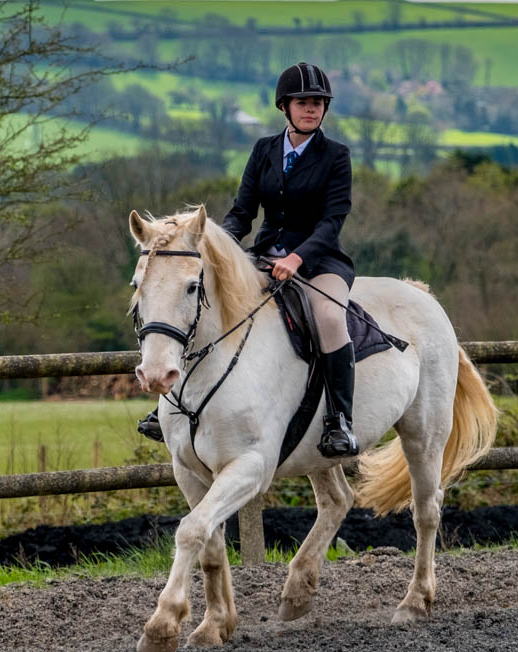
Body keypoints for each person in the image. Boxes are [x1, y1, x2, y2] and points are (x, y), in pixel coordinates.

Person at [138, 62, 358, 458]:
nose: (311, 109)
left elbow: (333, 220)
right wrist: (215, 247)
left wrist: (298, 257)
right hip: (263, 256)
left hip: (320, 262)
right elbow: (242, 212)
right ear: (285, 107)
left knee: (328, 317)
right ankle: (169, 405)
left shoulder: (336, 156)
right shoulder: (264, 150)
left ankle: (339, 420)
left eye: (318, 103)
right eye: (303, 102)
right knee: (204, 305)